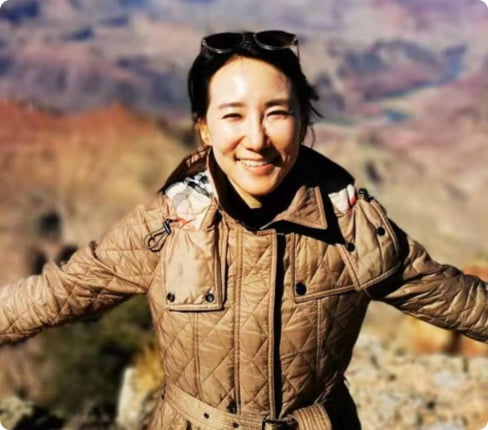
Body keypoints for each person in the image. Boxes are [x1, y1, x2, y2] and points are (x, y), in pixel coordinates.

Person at [0, 30, 487, 430]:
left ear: (302, 122)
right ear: (205, 130)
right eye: (233, 115)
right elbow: (57, 294)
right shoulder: (164, 228)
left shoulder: (354, 227)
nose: (256, 139)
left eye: (277, 113)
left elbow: (459, 300)